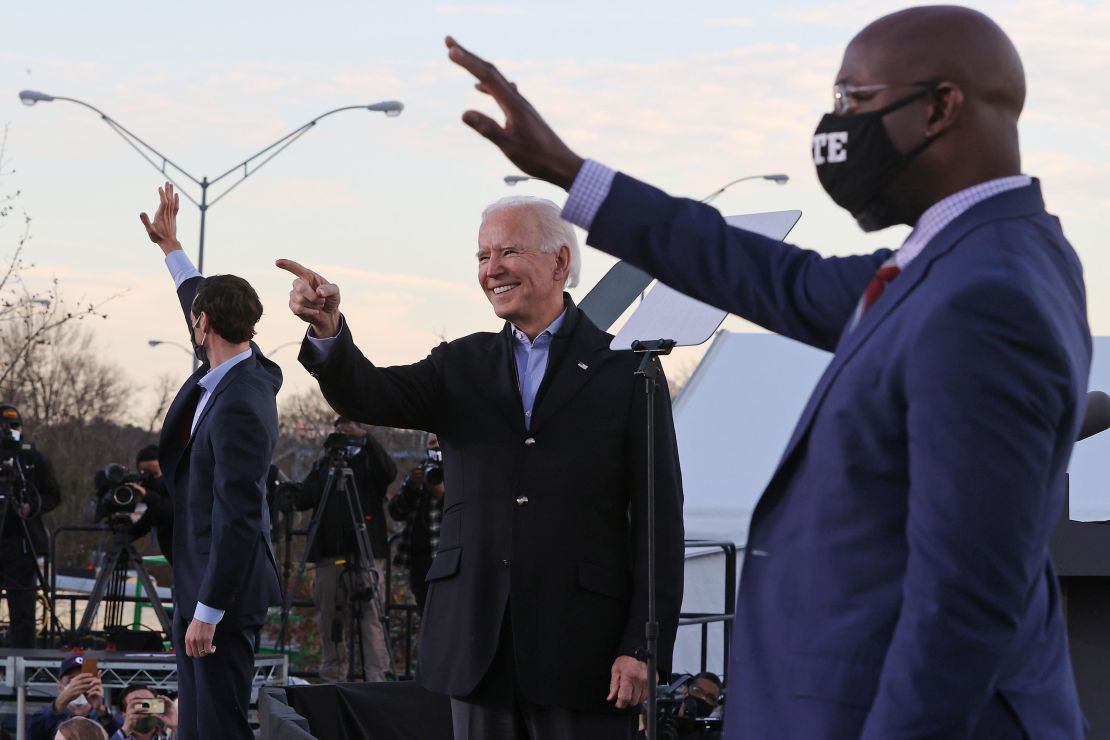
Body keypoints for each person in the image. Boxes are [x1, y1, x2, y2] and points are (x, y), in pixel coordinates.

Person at [445, 5, 1090, 738]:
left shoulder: (985, 295)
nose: (836, 124)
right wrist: (570, 172)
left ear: (943, 106)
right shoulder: (954, 263)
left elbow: (963, 599)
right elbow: (766, 274)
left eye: (855, 100)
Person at [279, 194, 684, 739]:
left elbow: (660, 520)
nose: (491, 269)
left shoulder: (628, 368)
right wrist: (329, 330)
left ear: (559, 262)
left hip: (584, 654)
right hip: (477, 651)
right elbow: (369, 394)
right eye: (482, 256)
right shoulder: (461, 364)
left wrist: (641, 647)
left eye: (508, 251)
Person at [139, 182, 283, 740]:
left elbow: (240, 514)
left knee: (217, 728)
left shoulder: (242, 403)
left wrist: (208, 611)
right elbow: (197, 296)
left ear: (205, 327)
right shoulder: (235, 363)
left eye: (196, 318)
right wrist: (171, 249)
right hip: (200, 584)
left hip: (220, 597)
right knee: (196, 728)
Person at [297, 416, 397, 682]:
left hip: (366, 555)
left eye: (349, 432)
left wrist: (366, 440)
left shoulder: (368, 463)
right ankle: (334, 678)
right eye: (340, 432)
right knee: (331, 618)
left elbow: (389, 472)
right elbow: (304, 497)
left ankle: (377, 679)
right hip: (331, 556)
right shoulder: (325, 466)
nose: (344, 439)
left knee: (372, 618)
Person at [0, 403, 61, 648]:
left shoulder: (31, 457)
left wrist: (31, 506)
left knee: (23, 606)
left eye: (15, 426)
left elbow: (53, 495)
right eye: (4, 427)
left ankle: (23, 656)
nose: (9, 431)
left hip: (21, 541)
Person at [388, 432, 446, 612]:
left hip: (444, 555)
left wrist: (441, 492)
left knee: (444, 611)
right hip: (418, 560)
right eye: (431, 443)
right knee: (425, 610)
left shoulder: (458, 470)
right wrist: (412, 488)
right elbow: (396, 512)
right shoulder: (420, 471)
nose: (435, 447)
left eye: (438, 442)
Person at [29, 656, 120, 740]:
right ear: (59, 685)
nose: (78, 685)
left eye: (84, 680)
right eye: (72, 680)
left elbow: (120, 735)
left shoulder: (105, 718)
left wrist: (101, 709)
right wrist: (61, 701)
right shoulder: (47, 719)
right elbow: (35, 731)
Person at [127, 446, 174, 563]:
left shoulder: (177, 485)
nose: (150, 479)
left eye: (154, 473)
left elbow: (172, 513)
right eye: (145, 473)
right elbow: (142, 521)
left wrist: (147, 495)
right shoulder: (148, 497)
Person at [108, 684, 178, 740]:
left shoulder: (170, 737)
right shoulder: (108, 735)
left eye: (149, 704)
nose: (144, 709)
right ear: (124, 714)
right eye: (137, 704)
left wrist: (176, 727)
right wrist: (125, 731)